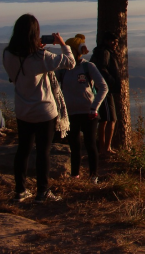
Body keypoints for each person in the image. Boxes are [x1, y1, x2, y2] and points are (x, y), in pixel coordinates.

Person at [3, 14, 75, 203]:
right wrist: (61, 43)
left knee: (23, 150)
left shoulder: (7, 54)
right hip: (44, 111)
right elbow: (70, 62)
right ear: (35, 33)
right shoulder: (41, 56)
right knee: (43, 151)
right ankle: (42, 192)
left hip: (22, 111)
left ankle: (20, 191)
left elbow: (15, 76)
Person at [59, 35, 108, 183]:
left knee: (90, 144)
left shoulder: (88, 67)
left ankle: (94, 175)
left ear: (75, 51)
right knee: (74, 145)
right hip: (70, 114)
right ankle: (75, 175)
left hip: (89, 113)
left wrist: (94, 107)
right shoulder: (62, 69)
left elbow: (103, 87)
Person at [90, 31, 121, 155]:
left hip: (99, 89)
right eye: (113, 41)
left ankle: (102, 148)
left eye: (116, 42)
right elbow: (102, 68)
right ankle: (105, 149)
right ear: (107, 41)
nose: (115, 44)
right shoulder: (105, 52)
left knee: (103, 120)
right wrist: (111, 81)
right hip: (104, 90)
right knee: (110, 119)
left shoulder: (99, 51)